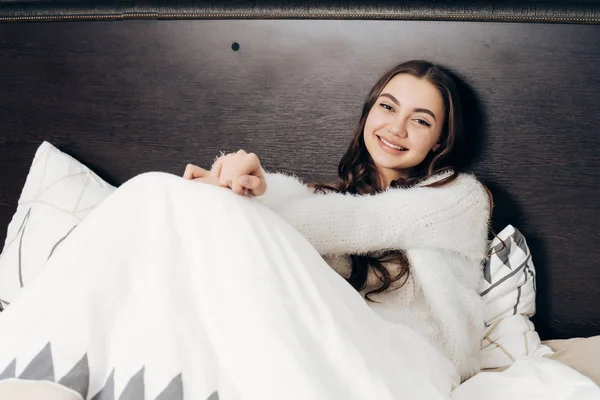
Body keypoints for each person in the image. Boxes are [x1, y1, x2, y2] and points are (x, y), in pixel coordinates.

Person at [0, 60, 489, 400]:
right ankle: (40, 373)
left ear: (441, 139)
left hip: (409, 369)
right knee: (155, 194)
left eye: (420, 120)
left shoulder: (461, 197)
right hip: (337, 350)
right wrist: (238, 182)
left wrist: (242, 202)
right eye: (387, 107)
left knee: (177, 198)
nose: (396, 127)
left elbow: (345, 224)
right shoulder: (332, 198)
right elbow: (309, 223)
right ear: (368, 114)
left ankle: (31, 371)